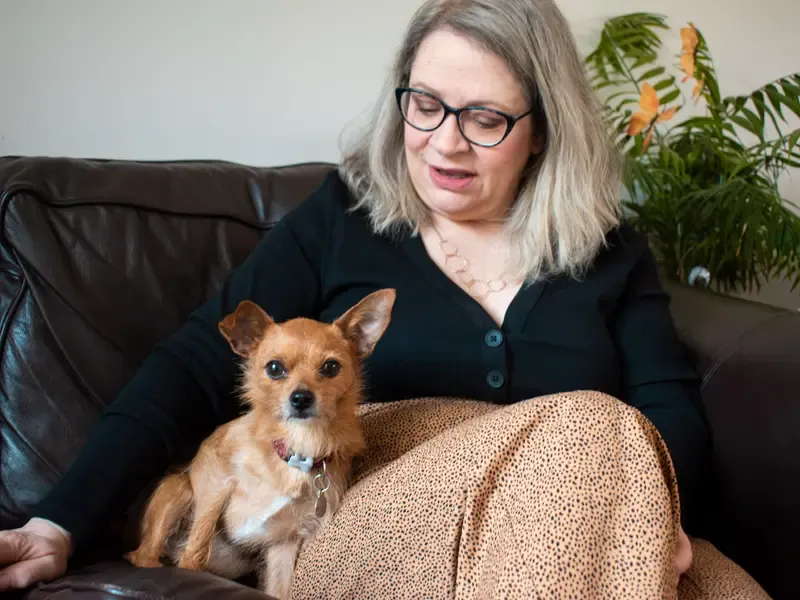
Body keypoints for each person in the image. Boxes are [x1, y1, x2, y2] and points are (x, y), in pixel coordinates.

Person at [1, 0, 769, 598]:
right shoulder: (343, 216)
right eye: (425, 103)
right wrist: (61, 518)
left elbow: (669, 410)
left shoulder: (607, 251)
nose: (443, 141)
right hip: (359, 507)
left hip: (581, 505)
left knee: (724, 587)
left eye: (486, 117)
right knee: (592, 431)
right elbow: (200, 358)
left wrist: (657, 514)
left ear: (542, 130)